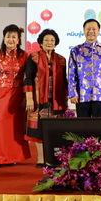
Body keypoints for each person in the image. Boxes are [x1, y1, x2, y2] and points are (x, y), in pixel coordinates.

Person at [0, 24, 31, 168]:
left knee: (15, 127)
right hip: (1, 93)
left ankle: (12, 157)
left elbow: (28, 77)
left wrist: (26, 96)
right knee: (1, 125)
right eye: (8, 36)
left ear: (19, 39)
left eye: (14, 37)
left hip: (18, 95)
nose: (11, 39)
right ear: (3, 38)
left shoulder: (24, 56)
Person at [24, 28, 68, 167]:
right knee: (38, 130)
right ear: (41, 42)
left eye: (52, 40)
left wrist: (66, 99)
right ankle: (41, 158)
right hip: (38, 99)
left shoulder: (61, 60)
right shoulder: (33, 57)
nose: (49, 42)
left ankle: (53, 158)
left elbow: (65, 81)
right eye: (46, 40)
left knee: (55, 130)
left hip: (56, 100)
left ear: (56, 43)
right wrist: (29, 98)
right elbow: (28, 78)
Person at [68, 19, 101, 117]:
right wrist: (72, 93)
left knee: (99, 125)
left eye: (94, 29)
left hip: (100, 96)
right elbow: (71, 73)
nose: (91, 31)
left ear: (98, 31)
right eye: (88, 29)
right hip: (81, 96)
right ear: (84, 30)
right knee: (83, 125)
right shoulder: (76, 50)